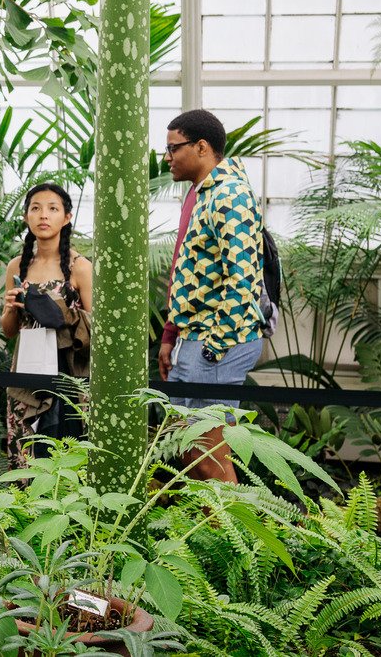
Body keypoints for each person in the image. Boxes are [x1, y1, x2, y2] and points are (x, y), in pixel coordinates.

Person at [156, 108, 265, 483]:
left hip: (214, 342)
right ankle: (207, 536)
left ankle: (237, 540)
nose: (166, 158)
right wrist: (174, 336)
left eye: (173, 149)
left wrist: (212, 348)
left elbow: (243, 280)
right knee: (186, 449)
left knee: (207, 454)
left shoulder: (230, 195)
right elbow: (187, 273)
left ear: (201, 147)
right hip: (195, 338)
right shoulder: (202, 194)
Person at [0, 183, 93, 468]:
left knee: (64, 448)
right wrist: (13, 306)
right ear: (26, 216)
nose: (43, 215)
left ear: (66, 217)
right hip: (27, 366)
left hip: (68, 370)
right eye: (36, 208)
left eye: (53, 209)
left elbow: (93, 326)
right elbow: (8, 330)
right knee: (27, 444)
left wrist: (60, 313)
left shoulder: (80, 266)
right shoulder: (17, 266)